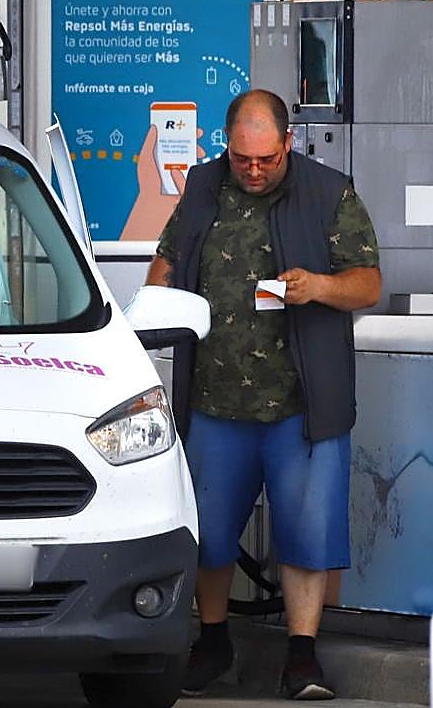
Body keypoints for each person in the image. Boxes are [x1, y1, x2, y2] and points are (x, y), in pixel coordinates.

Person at [146, 89, 381, 700]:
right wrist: (155, 306)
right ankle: (213, 642)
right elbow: (167, 260)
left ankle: (302, 656)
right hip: (213, 400)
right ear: (227, 145)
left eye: (266, 159)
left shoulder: (329, 192)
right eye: (241, 158)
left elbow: (368, 282)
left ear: (287, 143)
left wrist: (320, 286)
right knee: (208, 533)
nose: (253, 170)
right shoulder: (203, 187)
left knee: (307, 534)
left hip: (301, 404)